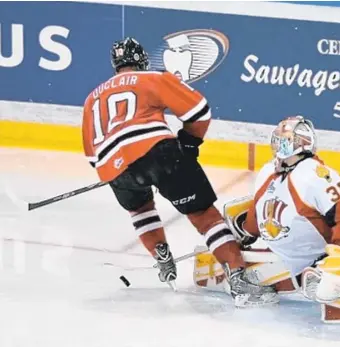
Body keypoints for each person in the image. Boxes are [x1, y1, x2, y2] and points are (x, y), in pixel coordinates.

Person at [81, 37, 278, 307]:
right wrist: (189, 141)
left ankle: (162, 257)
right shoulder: (151, 78)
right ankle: (239, 282)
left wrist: (119, 171)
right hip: (158, 153)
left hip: (112, 167)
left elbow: (92, 155)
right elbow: (199, 110)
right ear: (141, 60)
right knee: (204, 215)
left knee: (140, 209)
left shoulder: (92, 98)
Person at [202, 115, 340, 304]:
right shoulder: (268, 172)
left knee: (330, 276)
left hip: (323, 261)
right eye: (278, 140)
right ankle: (301, 277)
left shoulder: (313, 174)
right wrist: (244, 229)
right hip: (295, 264)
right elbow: (257, 217)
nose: (279, 146)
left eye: (285, 141)